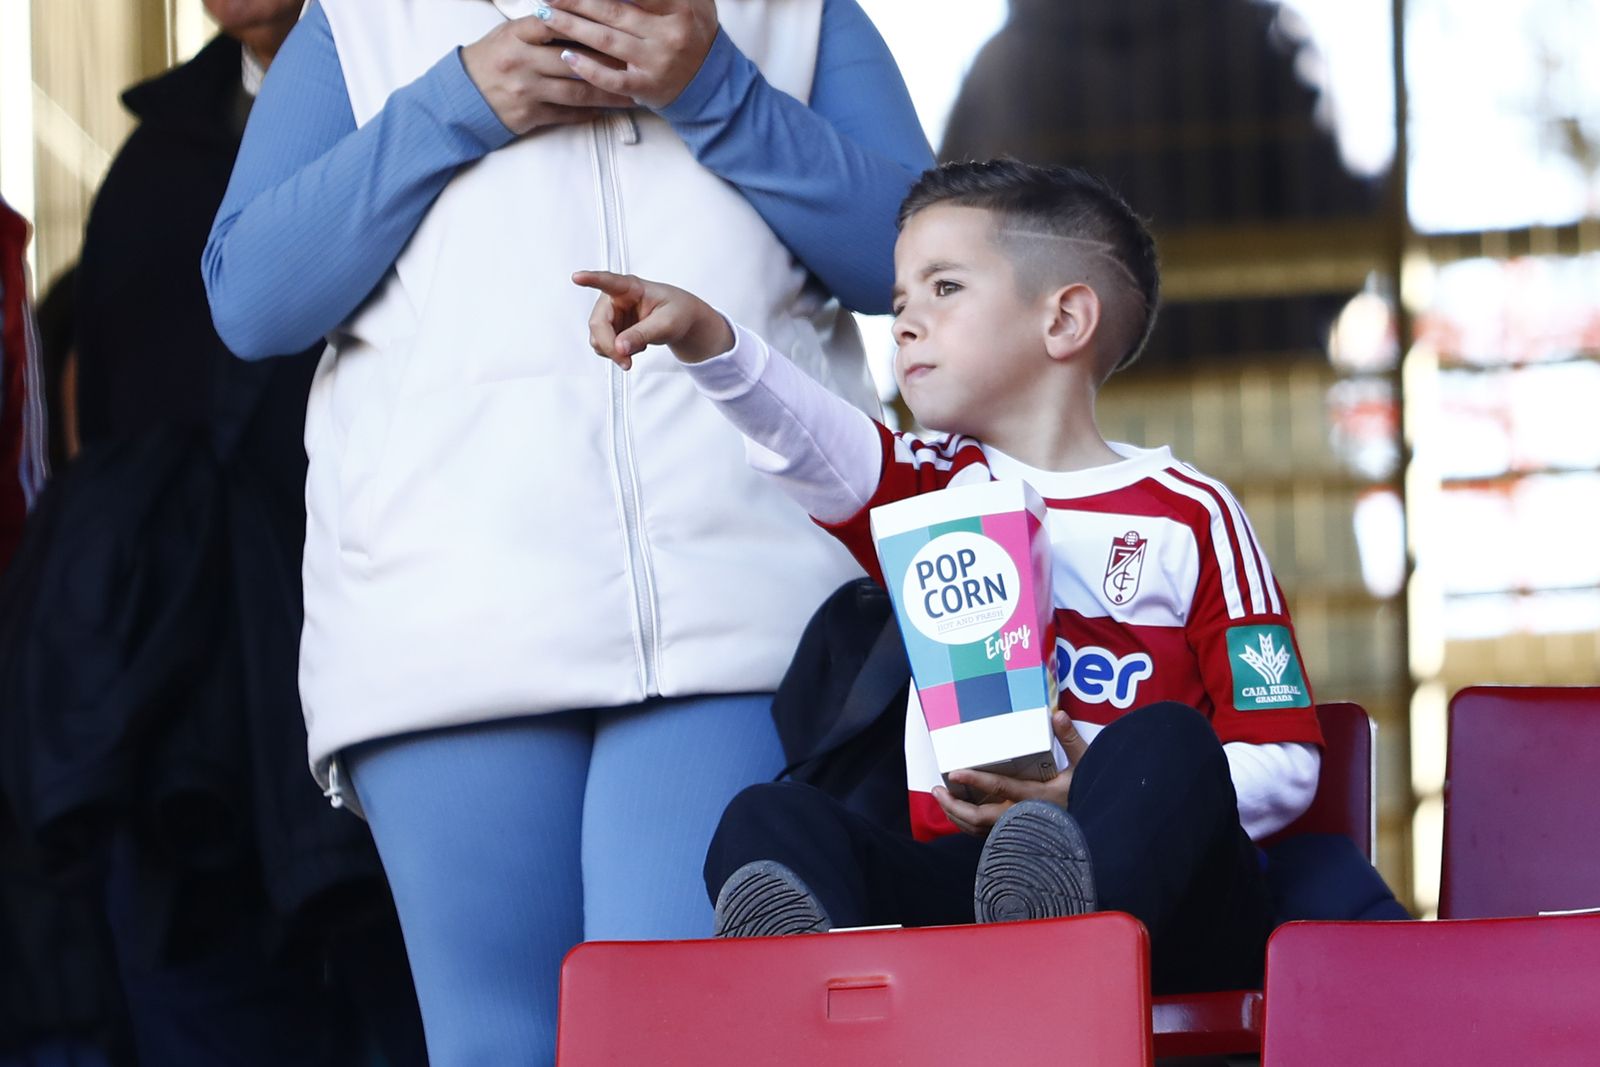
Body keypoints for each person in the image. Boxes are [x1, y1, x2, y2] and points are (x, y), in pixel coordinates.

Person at [202, 0, 931, 1061]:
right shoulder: (362, 19)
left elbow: (919, 261)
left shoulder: (794, 13)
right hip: (448, 626)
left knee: (675, 1036)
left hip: (744, 614)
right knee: (498, 1043)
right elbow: (253, 299)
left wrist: (718, 92)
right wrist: (455, 103)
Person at [574, 158, 1329, 995]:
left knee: (1168, 742)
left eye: (943, 288)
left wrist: (1088, 793)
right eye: (900, 301)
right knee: (767, 817)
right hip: (971, 889)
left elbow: (1285, 759)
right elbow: (812, 439)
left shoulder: (1194, 514)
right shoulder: (932, 487)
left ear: (1064, 318)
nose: (905, 323)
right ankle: (813, 994)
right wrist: (709, 341)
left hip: (1166, 916)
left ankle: (1065, 939)